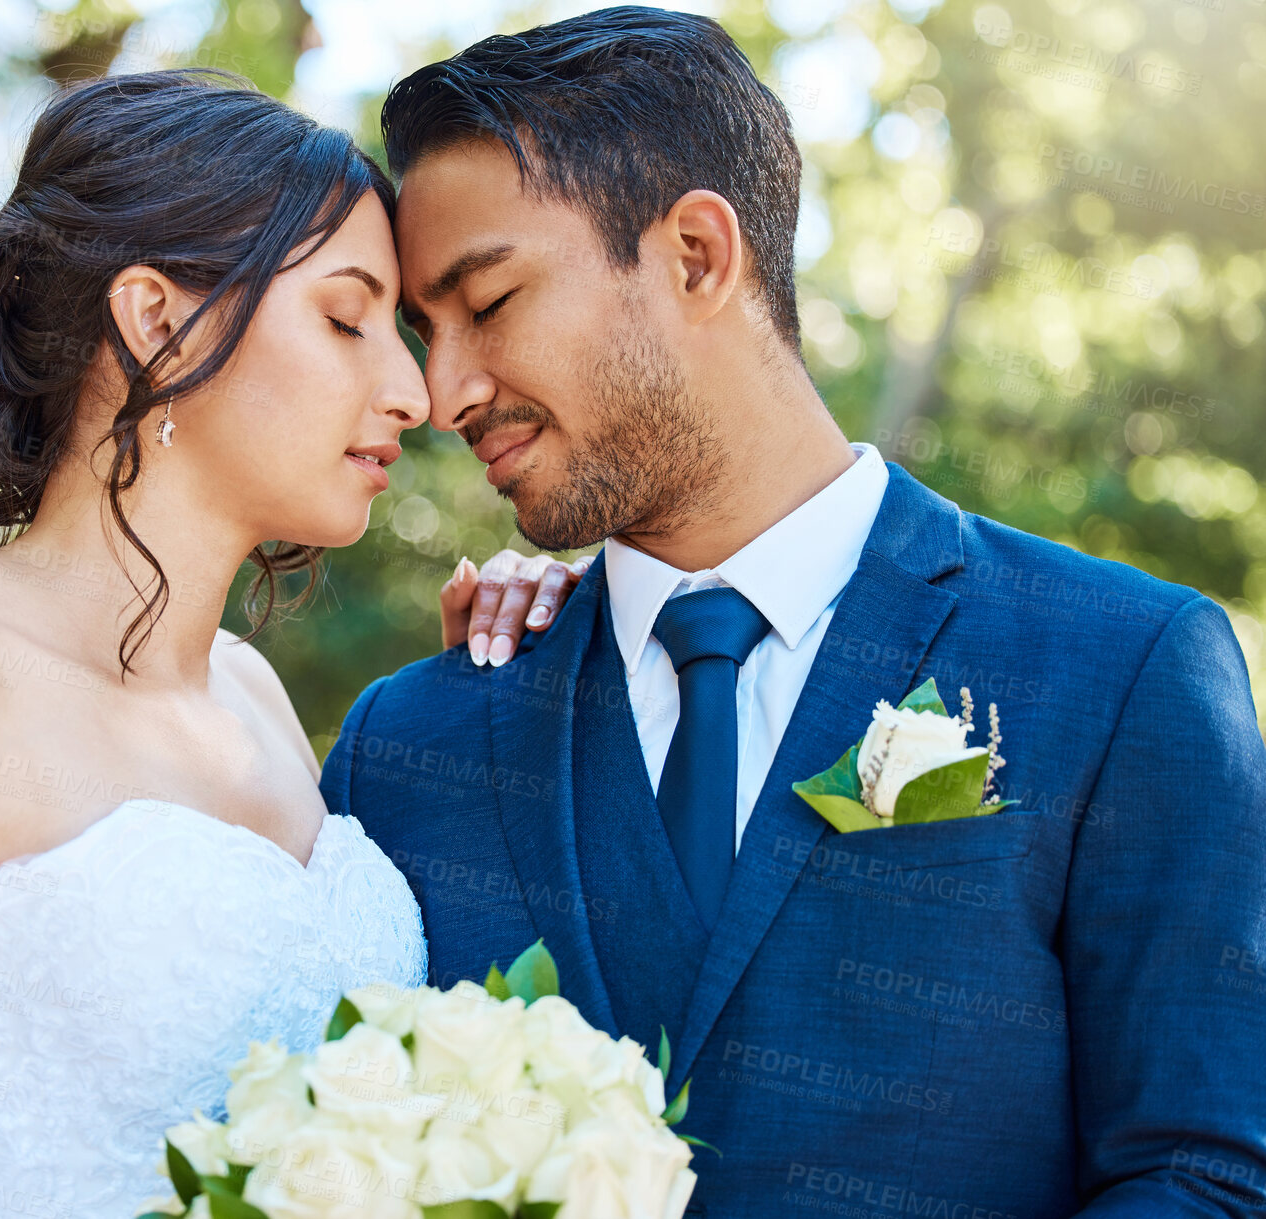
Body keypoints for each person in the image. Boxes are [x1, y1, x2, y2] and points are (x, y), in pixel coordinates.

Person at [322, 8, 1266, 1217]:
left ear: (698, 257)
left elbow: (1208, 1173)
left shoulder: (1123, 667)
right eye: (422, 331)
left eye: (488, 302)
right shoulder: (410, 747)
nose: (441, 389)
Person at [0, 69, 575, 1218]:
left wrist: (505, 677)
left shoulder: (257, 699)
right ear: (155, 321)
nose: (412, 391)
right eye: (344, 318)